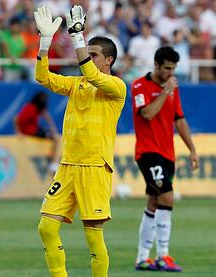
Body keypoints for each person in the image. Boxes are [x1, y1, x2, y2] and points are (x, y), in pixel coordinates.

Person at [34, 5, 126, 277]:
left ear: (108, 60)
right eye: (87, 53)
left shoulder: (117, 88)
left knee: (93, 236)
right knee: (46, 227)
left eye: (93, 55)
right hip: (67, 166)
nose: (86, 58)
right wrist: (45, 43)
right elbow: (43, 77)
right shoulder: (76, 85)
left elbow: (94, 76)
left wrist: (77, 39)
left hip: (95, 168)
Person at [131, 46, 199, 272]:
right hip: (148, 152)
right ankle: (163, 255)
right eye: (167, 68)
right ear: (157, 65)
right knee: (168, 197)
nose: (171, 73)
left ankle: (142, 258)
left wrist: (192, 149)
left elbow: (179, 119)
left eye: (174, 69)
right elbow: (147, 114)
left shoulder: (172, 88)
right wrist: (164, 92)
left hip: (167, 153)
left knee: (154, 202)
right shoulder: (139, 85)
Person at [14, 91, 59, 174]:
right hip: (30, 131)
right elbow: (17, 118)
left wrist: (53, 128)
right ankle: (53, 162)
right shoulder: (30, 108)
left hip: (35, 129)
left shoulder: (38, 108)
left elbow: (47, 117)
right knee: (55, 139)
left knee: (55, 137)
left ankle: (52, 158)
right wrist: (18, 133)